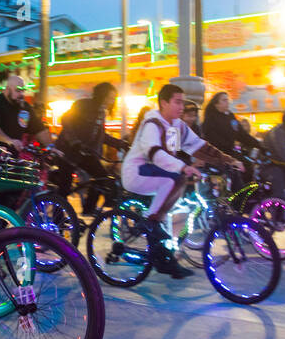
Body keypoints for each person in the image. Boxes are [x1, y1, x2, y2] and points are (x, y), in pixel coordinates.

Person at [122, 84, 244, 279]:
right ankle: (150, 223)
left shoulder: (178, 126)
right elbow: (154, 153)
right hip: (137, 172)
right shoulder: (153, 123)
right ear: (164, 103)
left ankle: (164, 256)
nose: (182, 106)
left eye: (182, 101)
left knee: (173, 196)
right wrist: (182, 166)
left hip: (159, 173)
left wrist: (229, 160)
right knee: (174, 181)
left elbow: (199, 146)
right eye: (177, 102)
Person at [54, 82, 129, 207]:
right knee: (64, 188)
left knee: (102, 178)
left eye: (113, 98)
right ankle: (57, 220)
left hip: (85, 153)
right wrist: (74, 142)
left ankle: (89, 211)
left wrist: (120, 144)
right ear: (101, 95)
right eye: (109, 97)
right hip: (67, 151)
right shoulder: (82, 105)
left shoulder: (101, 113)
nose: (111, 101)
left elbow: (101, 135)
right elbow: (66, 121)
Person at [0, 75, 52, 153]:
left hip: (14, 156)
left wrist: (51, 147)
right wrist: (10, 141)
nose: (22, 94)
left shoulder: (25, 107)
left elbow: (39, 129)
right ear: (7, 90)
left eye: (23, 90)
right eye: (18, 90)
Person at [201, 91, 262, 162]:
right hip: (218, 155)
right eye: (224, 100)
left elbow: (241, 134)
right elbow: (212, 138)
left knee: (248, 163)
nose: (227, 102)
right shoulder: (210, 118)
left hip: (231, 152)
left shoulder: (230, 116)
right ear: (216, 104)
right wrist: (229, 148)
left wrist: (259, 145)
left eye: (227, 100)